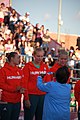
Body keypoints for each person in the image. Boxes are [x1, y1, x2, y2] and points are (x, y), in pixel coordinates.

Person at [22, 47, 51, 120]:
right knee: (28, 117)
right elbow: (24, 83)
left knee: (40, 117)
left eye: (41, 56)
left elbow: (48, 82)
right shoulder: (27, 66)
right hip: (31, 96)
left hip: (42, 96)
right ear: (34, 55)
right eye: (38, 56)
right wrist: (26, 98)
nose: (40, 58)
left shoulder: (45, 67)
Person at [0, 52, 25, 120]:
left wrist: (22, 89)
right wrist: (14, 89)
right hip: (6, 101)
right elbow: (1, 85)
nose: (19, 59)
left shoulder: (20, 71)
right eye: (17, 58)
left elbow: (22, 83)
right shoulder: (3, 70)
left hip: (17, 101)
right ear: (12, 58)